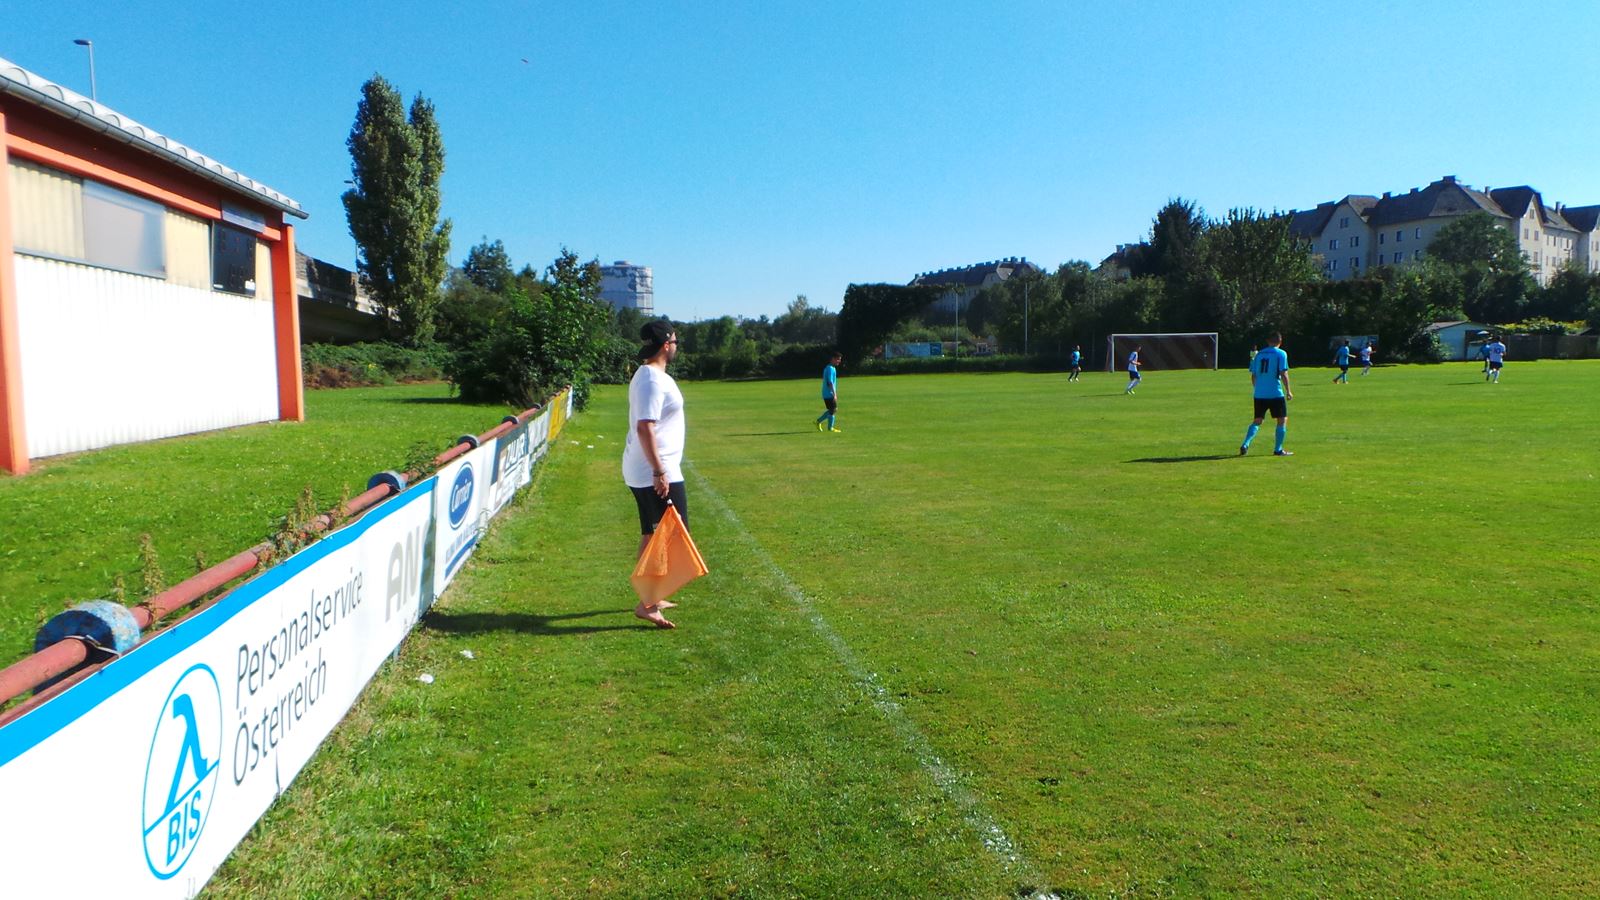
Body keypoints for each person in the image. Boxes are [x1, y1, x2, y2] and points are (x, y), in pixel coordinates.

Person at [623, 321, 689, 629]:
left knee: (652, 535)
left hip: (648, 468)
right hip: (654, 470)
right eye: (675, 342)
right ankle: (647, 604)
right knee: (673, 537)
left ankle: (651, 596)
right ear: (665, 345)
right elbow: (645, 427)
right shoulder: (651, 379)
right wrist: (659, 471)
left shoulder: (650, 375)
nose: (676, 346)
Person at [1240, 331, 1294, 457]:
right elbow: (1283, 373)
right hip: (1275, 393)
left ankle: (1246, 443)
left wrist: (1258, 388)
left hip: (1259, 394)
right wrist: (1288, 391)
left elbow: (1253, 375)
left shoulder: (1259, 355)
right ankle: (1278, 449)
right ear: (1280, 342)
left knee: (1257, 420)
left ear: (1268, 341)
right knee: (1282, 420)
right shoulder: (1281, 353)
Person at [814, 351, 842, 432]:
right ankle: (824, 424)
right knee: (833, 409)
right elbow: (830, 382)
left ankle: (821, 423)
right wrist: (834, 393)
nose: (839, 361)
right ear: (833, 359)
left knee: (832, 410)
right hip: (828, 393)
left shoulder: (832, 368)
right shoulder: (830, 368)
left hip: (828, 393)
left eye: (840, 359)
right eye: (838, 359)